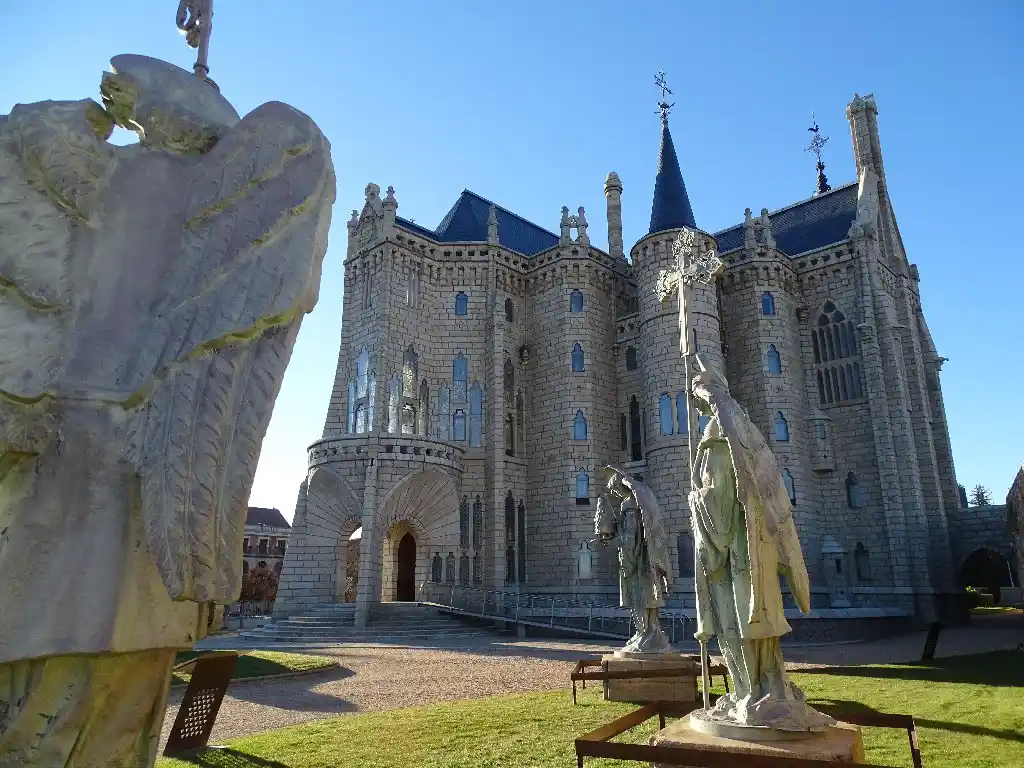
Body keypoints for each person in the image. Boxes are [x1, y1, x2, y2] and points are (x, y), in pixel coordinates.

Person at [689, 356, 832, 731]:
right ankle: (759, 689)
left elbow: (718, 511)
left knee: (736, 625)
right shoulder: (744, 440)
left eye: (698, 401)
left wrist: (694, 500)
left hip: (736, 560)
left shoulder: (719, 444)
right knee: (754, 625)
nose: (697, 409)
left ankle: (749, 692)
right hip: (750, 554)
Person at [595, 466, 673, 655]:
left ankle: (646, 633)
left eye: (614, 490)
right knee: (650, 599)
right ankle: (649, 632)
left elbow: (630, 539)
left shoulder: (628, 505)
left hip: (637, 563)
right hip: (648, 559)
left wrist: (612, 539)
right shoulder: (643, 502)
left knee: (640, 598)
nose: (615, 493)